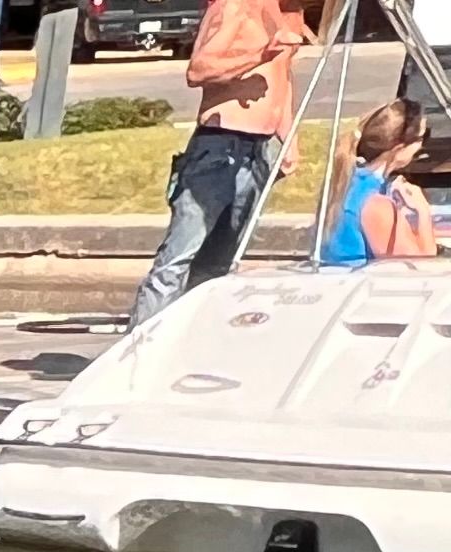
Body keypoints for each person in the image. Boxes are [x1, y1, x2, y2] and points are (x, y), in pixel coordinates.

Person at [131, 0, 309, 322]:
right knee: (177, 259)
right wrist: (255, 57)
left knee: (218, 264)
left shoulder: (288, 12)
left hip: (258, 149)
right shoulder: (233, 6)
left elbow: (282, 76)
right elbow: (199, 69)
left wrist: (289, 136)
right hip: (219, 144)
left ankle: (192, 339)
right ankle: (138, 349)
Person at [326, 100, 441, 266]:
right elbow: (421, 268)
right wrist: (422, 210)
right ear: (399, 148)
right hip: (358, 289)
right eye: (423, 136)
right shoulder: (376, 205)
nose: (423, 145)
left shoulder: (346, 181)